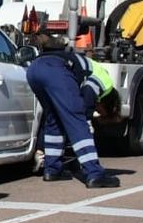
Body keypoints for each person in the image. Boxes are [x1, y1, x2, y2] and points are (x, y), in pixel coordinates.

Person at [25, 36, 120, 188]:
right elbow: (87, 99)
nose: (99, 112)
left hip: (35, 69)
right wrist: (86, 122)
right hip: (55, 70)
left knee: (53, 119)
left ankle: (52, 169)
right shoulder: (106, 82)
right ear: (109, 104)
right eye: (102, 113)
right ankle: (95, 173)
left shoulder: (88, 66)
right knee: (77, 121)